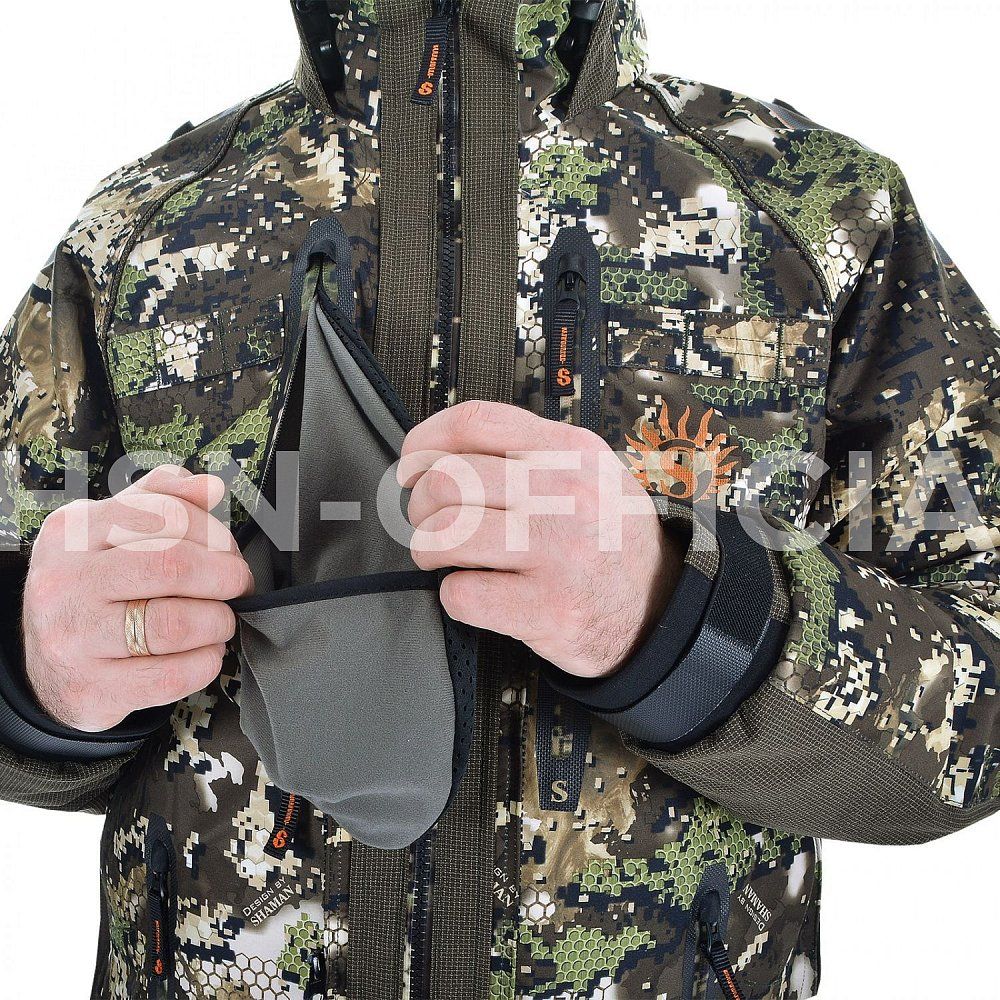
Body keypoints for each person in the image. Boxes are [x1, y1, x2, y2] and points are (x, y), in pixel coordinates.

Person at [1, 1, 997, 998]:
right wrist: (34, 666)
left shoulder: (819, 217)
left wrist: (681, 617)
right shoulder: (137, 232)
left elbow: (983, 701)